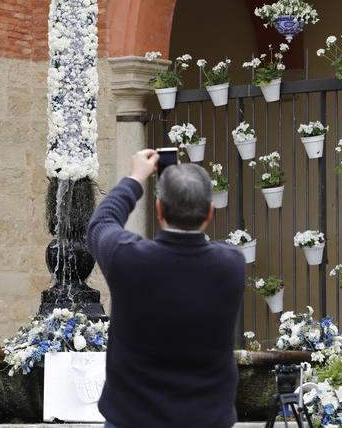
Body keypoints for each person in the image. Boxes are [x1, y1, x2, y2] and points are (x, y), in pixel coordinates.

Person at [87, 149, 245, 428]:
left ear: (159, 210)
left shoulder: (128, 259)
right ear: (209, 213)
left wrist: (135, 178)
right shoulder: (231, 266)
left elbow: (101, 223)